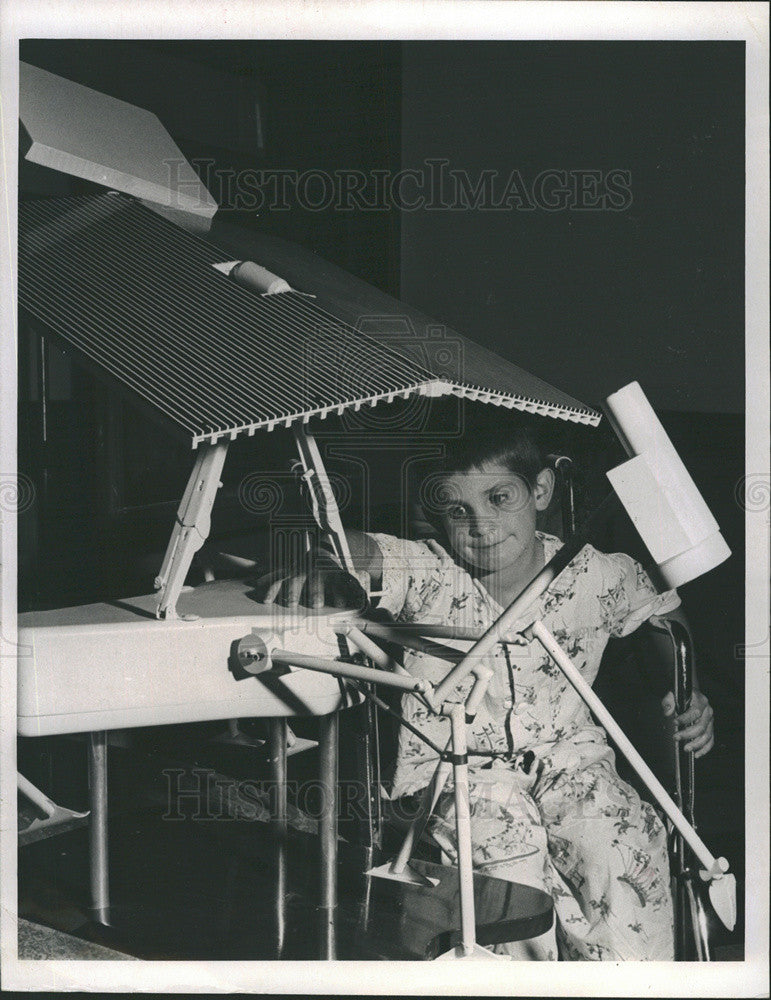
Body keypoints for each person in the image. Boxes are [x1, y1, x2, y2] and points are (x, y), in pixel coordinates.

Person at [258, 406, 715, 960]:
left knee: (619, 842)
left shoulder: (597, 573)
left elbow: (664, 619)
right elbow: (355, 547)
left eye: (500, 498)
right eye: (458, 510)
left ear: (541, 489)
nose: (482, 526)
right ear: (437, 518)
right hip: (453, 772)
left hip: (570, 758)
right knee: (506, 855)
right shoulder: (430, 570)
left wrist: (686, 689)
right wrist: (327, 563)